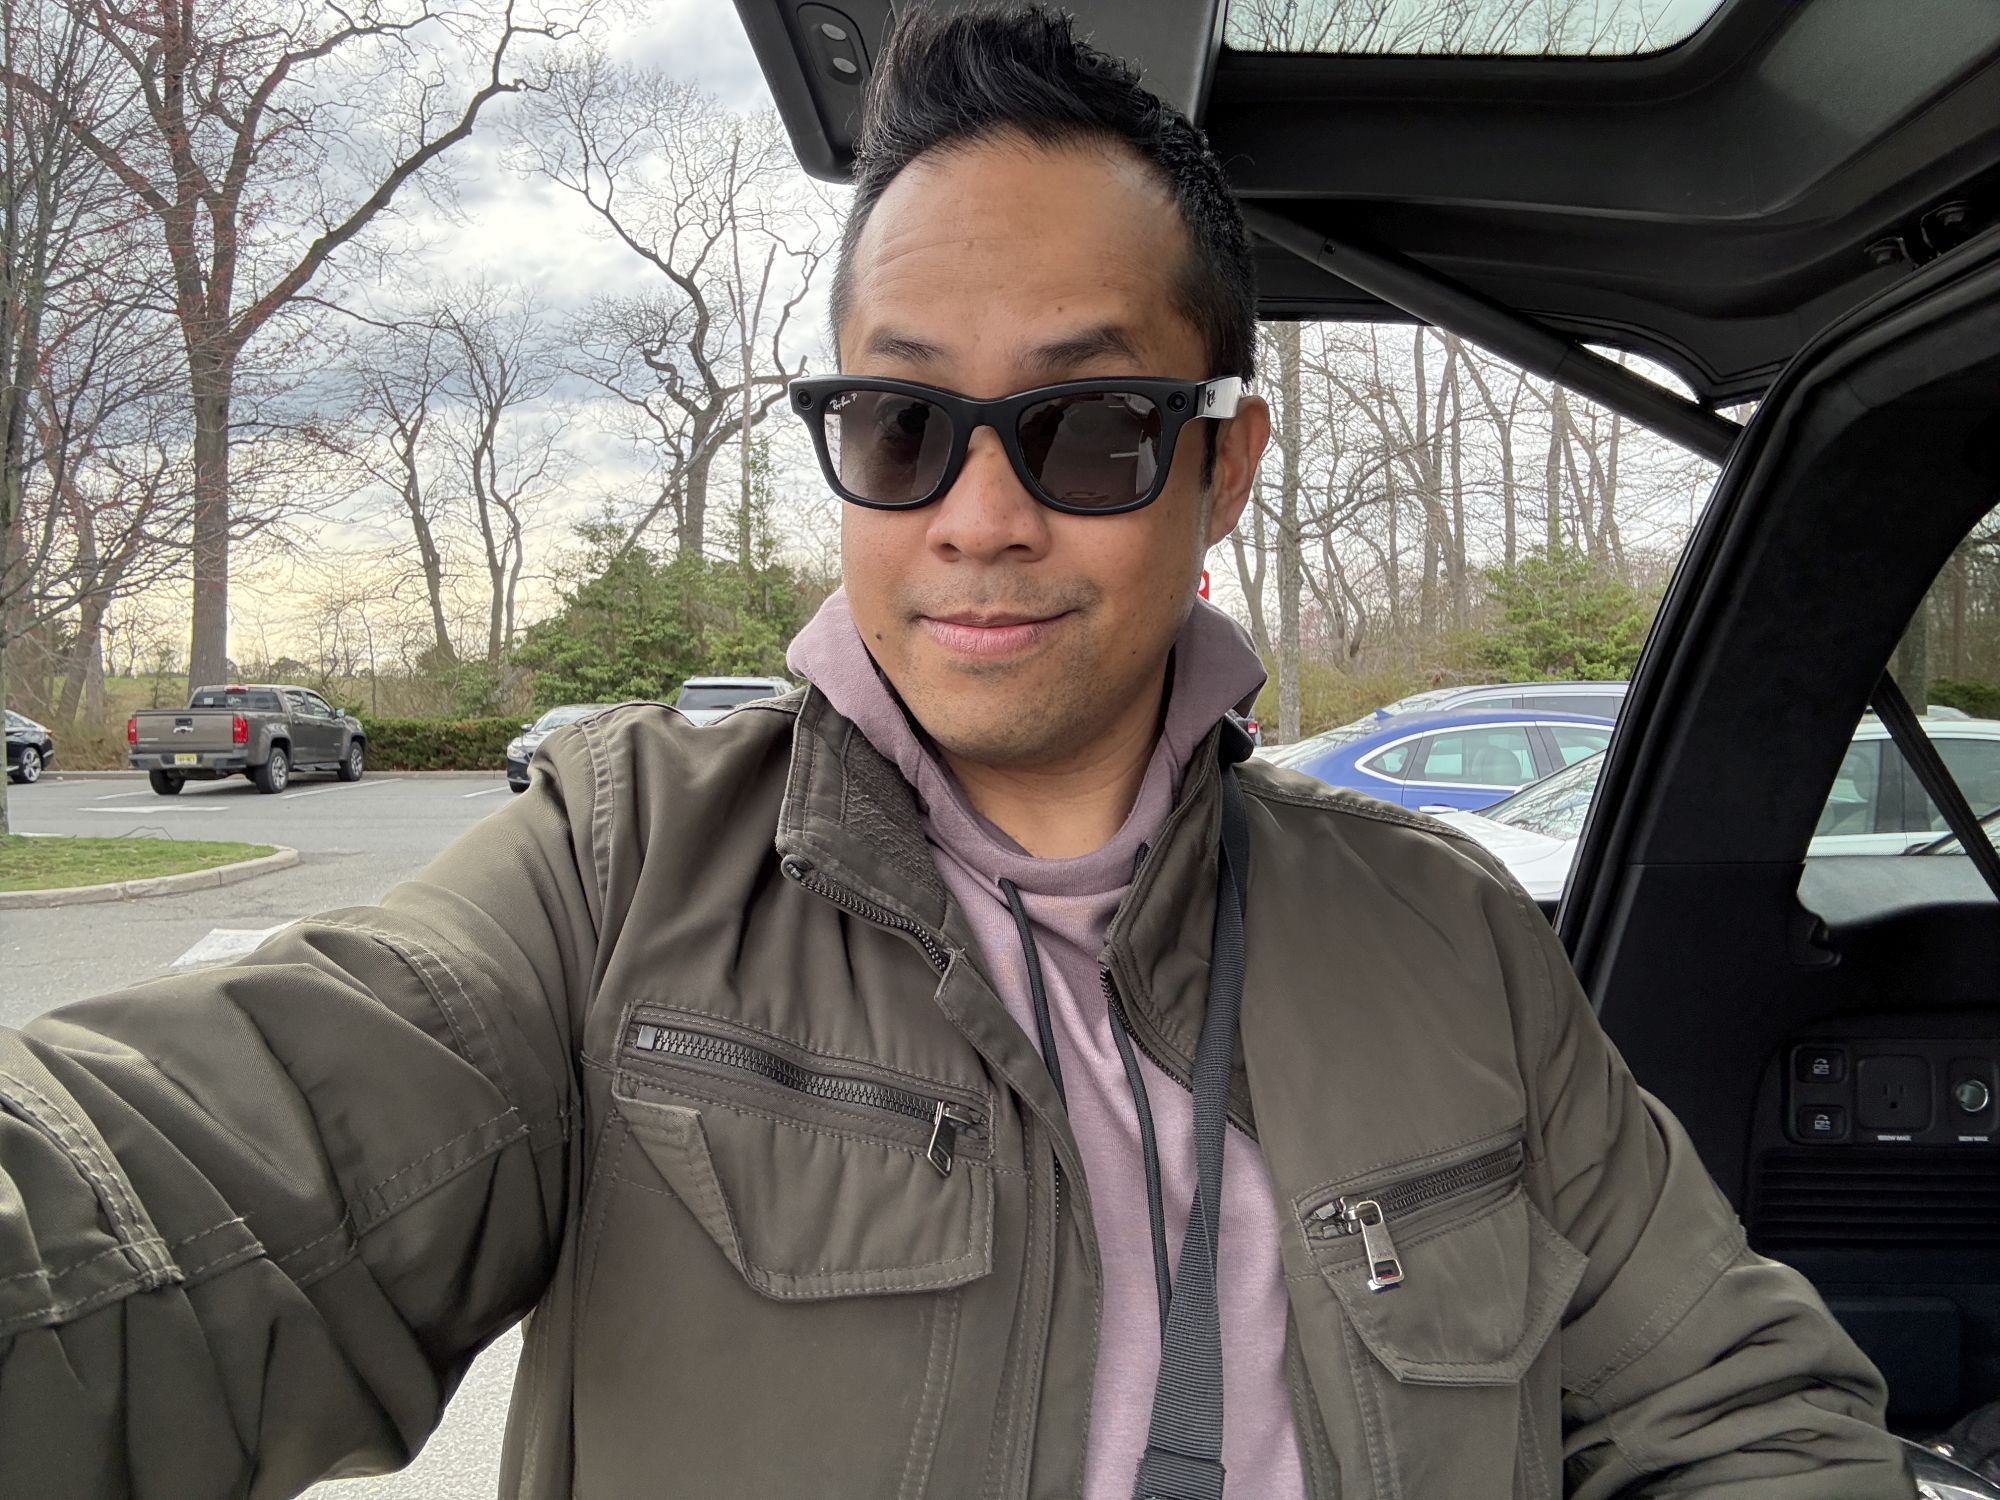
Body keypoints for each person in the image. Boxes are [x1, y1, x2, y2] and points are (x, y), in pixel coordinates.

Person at [0, 8, 1913, 1499]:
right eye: (903, 426)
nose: (981, 519)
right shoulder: (613, 876)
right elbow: (186, 1198)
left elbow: (1738, 1410)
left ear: (1223, 462)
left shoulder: (1455, 945)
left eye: (1090, 428)